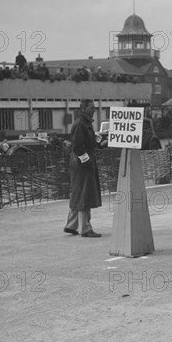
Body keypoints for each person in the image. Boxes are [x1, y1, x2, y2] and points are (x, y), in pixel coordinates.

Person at [64, 99, 104, 238]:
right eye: (92, 108)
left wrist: (97, 141)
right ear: (84, 109)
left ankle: (72, 225)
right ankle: (85, 228)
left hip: (78, 164)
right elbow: (78, 147)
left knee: (78, 192)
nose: (94, 110)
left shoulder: (83, 123)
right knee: (85, 195)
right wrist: (87, 162)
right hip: (82, 164)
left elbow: (84, 143)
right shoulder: (81, 124)